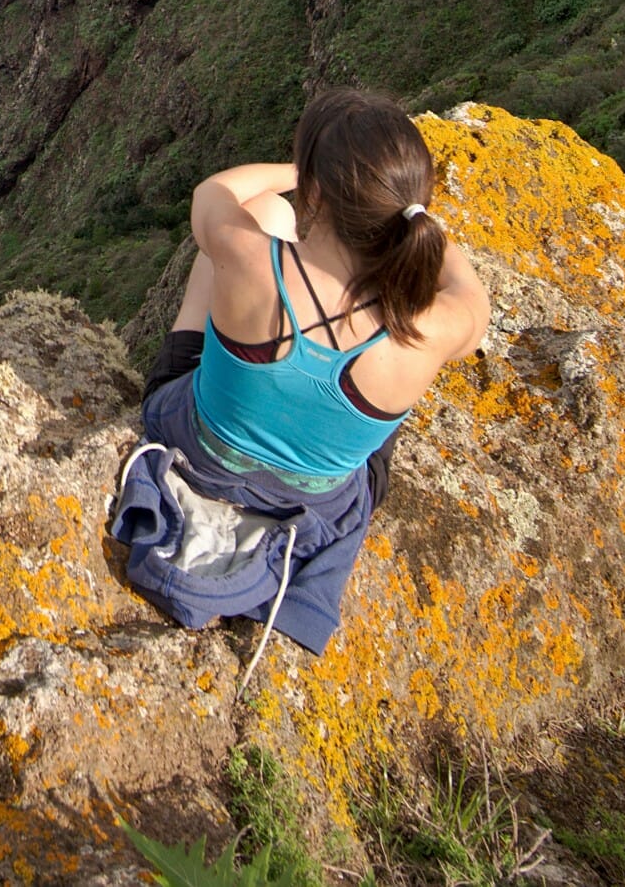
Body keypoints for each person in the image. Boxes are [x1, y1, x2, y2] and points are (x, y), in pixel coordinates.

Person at [109, 88, 492, 670]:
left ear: (316, 190)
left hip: (201, 452)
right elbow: (471, 295)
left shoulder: (248, 256)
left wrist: (298, 171)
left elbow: (215, 193)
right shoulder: (435, 328)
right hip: (318, 503)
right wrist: (407, 215)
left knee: (265, 215)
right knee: (375, 405)